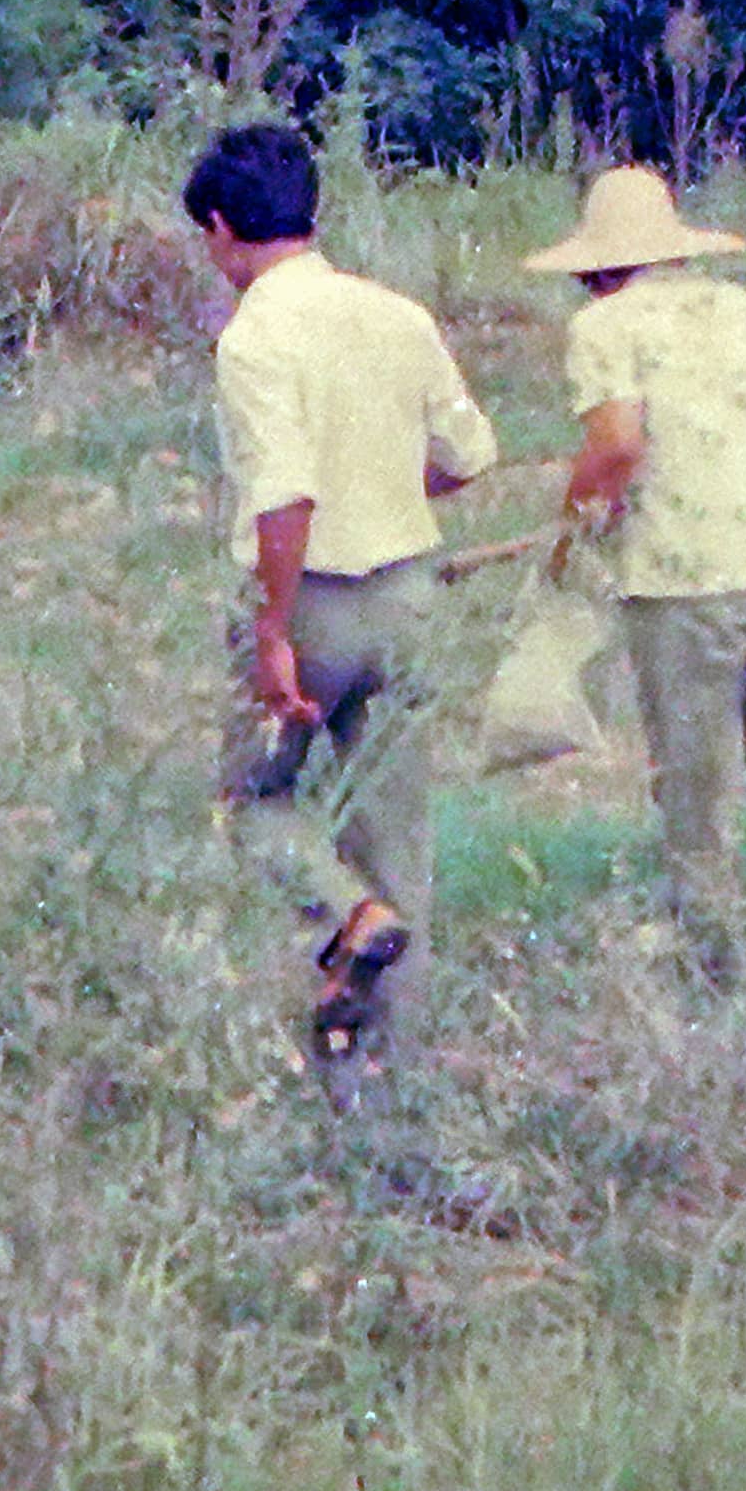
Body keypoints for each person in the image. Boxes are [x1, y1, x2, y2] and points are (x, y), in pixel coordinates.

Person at [191, 121, 498, 1062]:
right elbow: (469, 455)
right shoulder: (395, 314)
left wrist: (274, 629)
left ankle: (346, 915)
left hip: (313, 600)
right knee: (399, 837)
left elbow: (284, 495)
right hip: (408, 594)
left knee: (253, 799)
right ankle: (389, 1070)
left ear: (219, 228)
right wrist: (391, 485)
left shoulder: (254, 337)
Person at [532, 165, 746, 957]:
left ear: (596, 266)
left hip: (689, 575)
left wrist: (573, 522)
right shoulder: (736, 307)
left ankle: (710, 929)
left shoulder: (605, 326)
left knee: (697, 760)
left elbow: (618, 444)